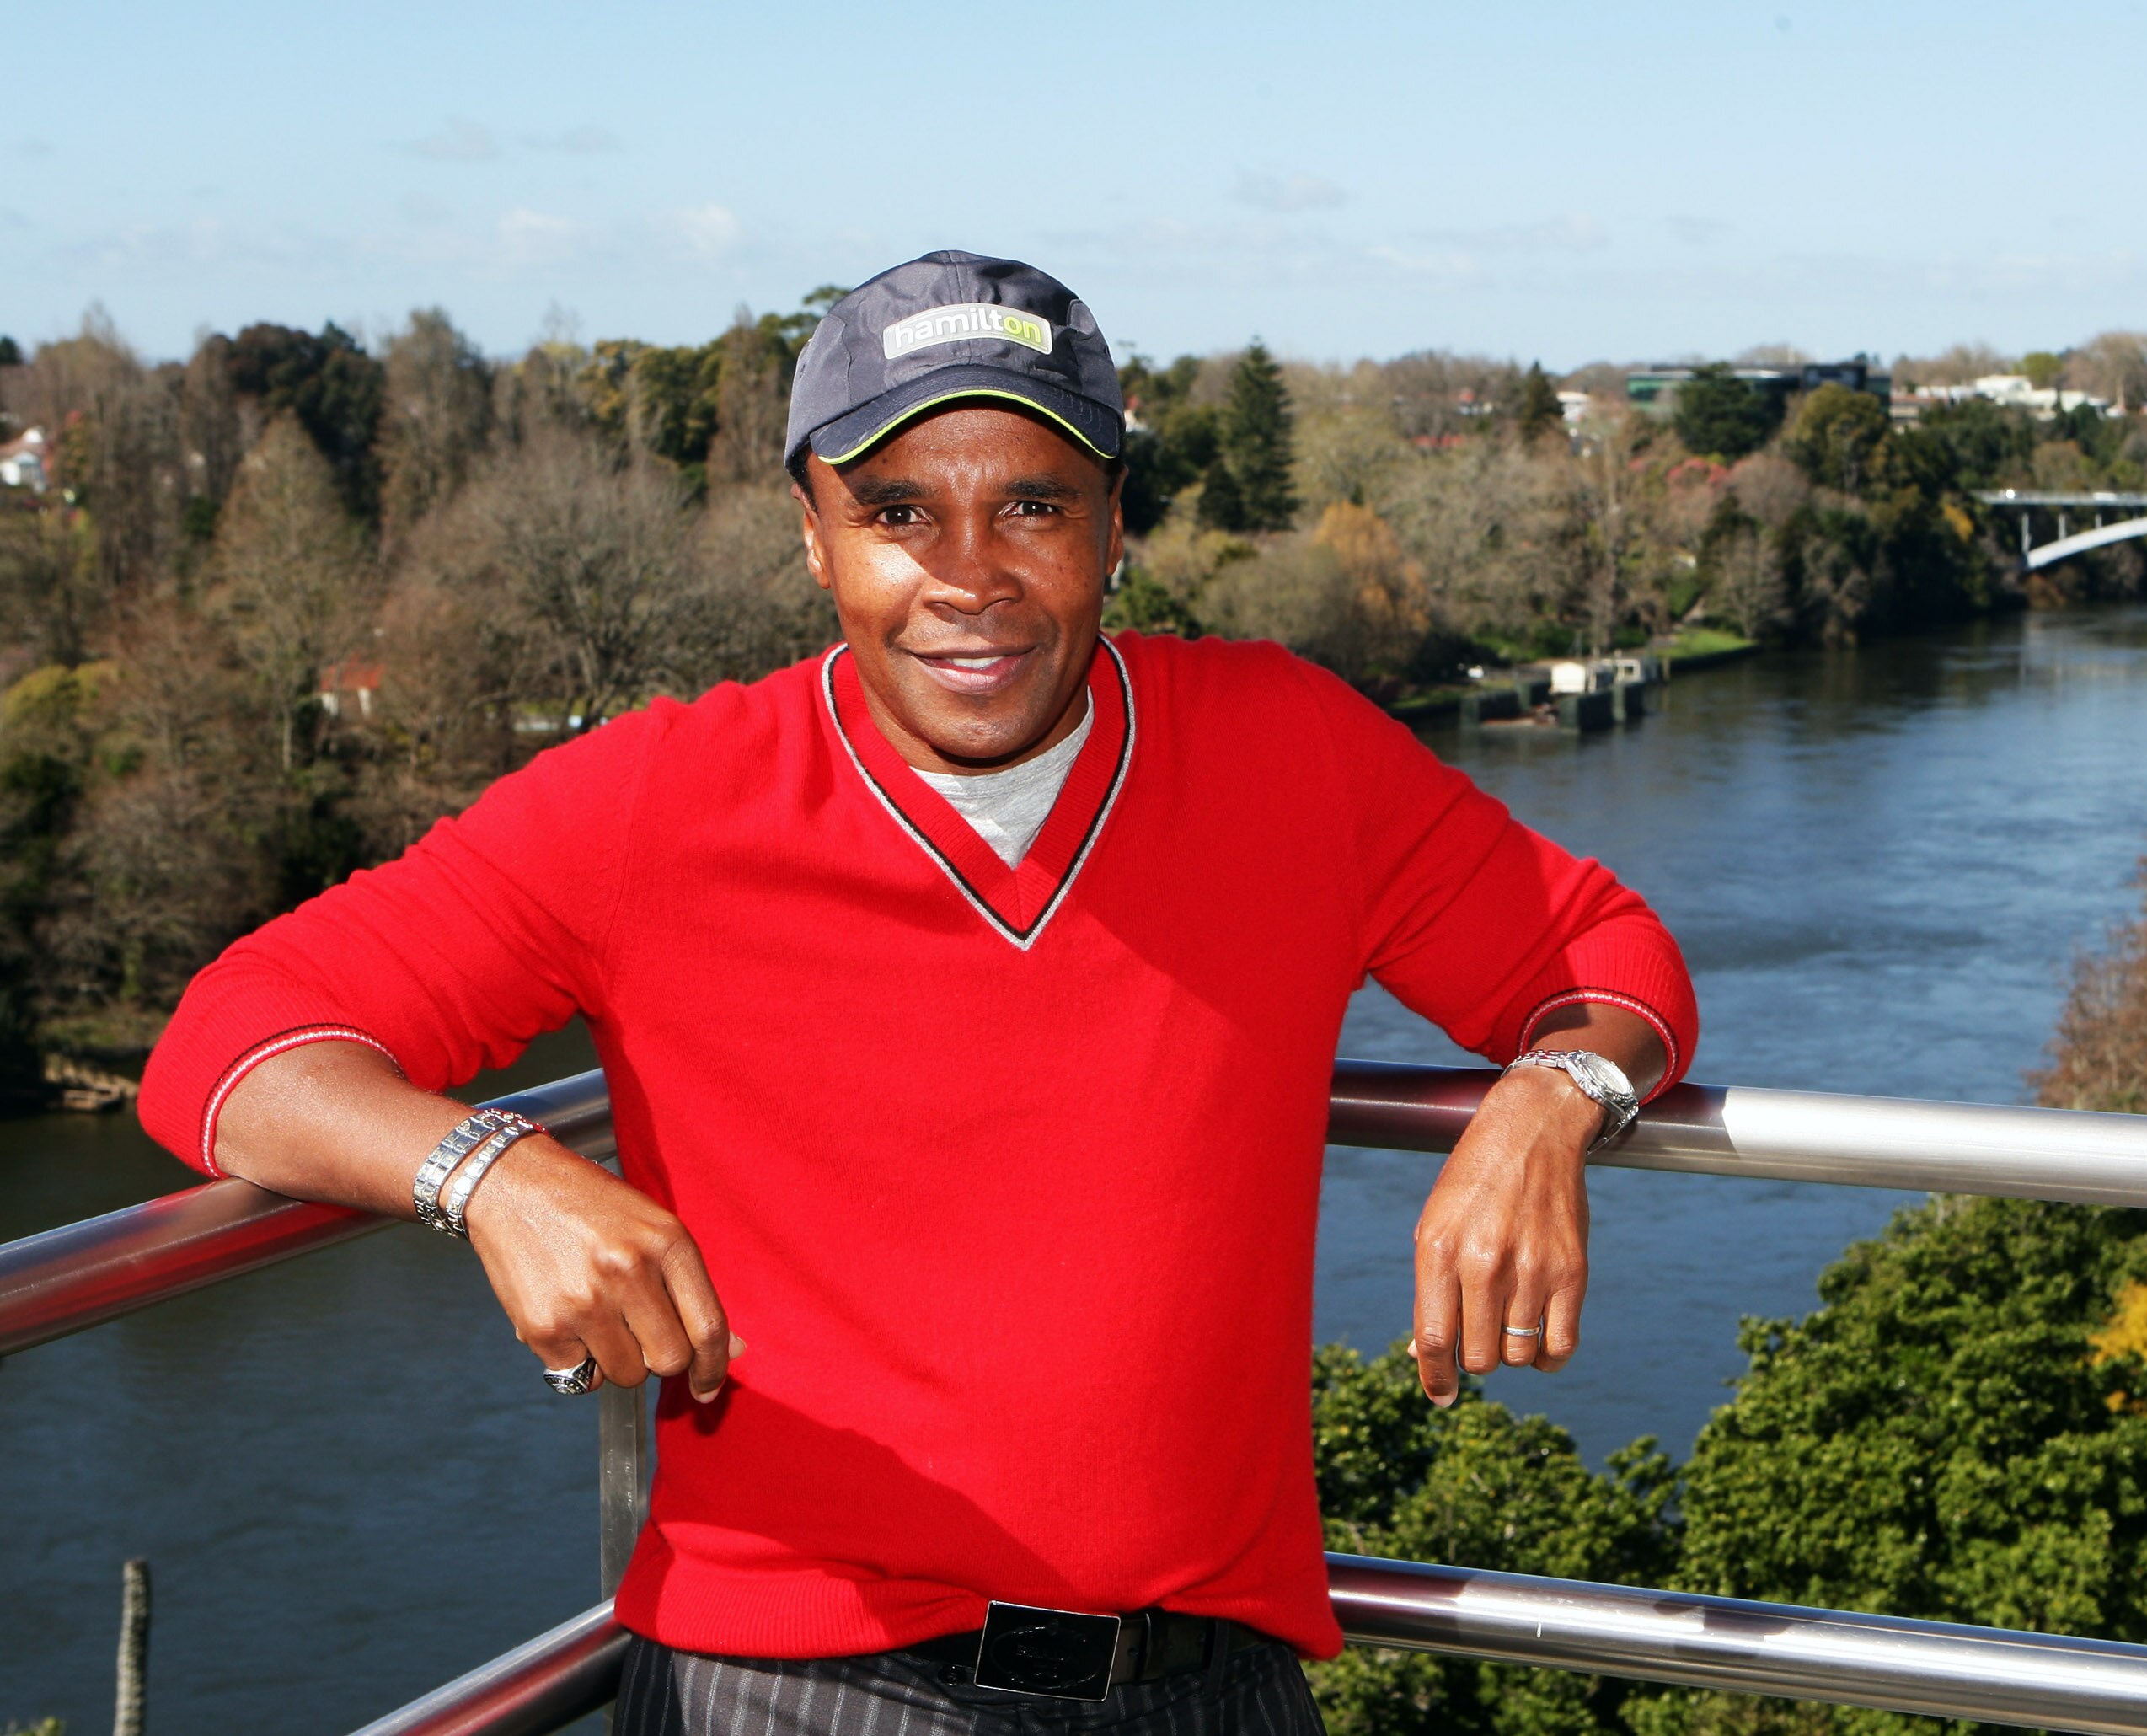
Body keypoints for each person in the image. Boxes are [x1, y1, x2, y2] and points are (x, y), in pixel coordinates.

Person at [137, 251, 1695, 1736]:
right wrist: (491, 1174)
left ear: (1114, 526)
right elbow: (228, 1053)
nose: (971, 578)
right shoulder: (652, 808)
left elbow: (1603, 954)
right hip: (794, 1691)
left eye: (1032, 504)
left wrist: (1549, 1102)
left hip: (1209, 1679)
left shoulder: (1287, 752)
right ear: (813, 536)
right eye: (898, 511)